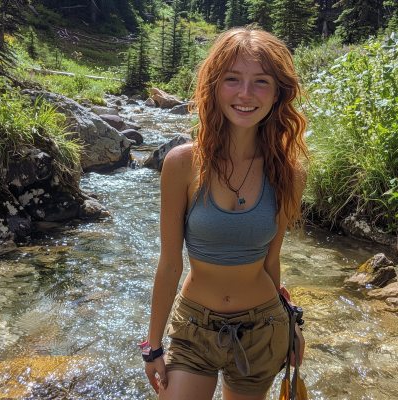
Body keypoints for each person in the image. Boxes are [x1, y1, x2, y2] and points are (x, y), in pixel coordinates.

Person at [142, 26, 308, 400]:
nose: (245, 94)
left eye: (261, 81)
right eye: (232, 79)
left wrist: (290, 320)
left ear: (278, 92)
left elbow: (271, 259)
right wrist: (152, 344)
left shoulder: (289, 172)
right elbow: (170, 262)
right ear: (214, 86)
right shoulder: (183, 163)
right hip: (194, 327)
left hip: (264, 327)